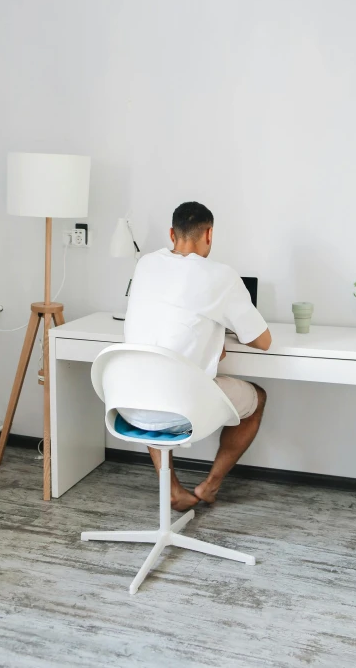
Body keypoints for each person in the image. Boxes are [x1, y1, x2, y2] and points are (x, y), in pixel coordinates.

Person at [122, 201, 272, 511]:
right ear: (209, 234)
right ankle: (210, 485)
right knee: (257, 398)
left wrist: (210, 336)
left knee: (156, 382)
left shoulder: (145, 264)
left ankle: (173, 489)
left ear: (171, 234)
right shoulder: (221, 275)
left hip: (129, 404)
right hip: (181, 410)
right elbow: (263, 341)